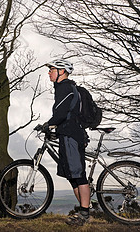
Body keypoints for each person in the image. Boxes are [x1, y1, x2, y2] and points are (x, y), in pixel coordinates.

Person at [40, 59, 91, 226]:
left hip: (71, 135)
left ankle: (84, 214)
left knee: (78, 174)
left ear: (62, 71)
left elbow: (61, 113)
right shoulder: (64, 88)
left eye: (52, 70)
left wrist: (49, 124)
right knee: (72, 176)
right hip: (67, 133)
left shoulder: (65, 87)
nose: (49, 73)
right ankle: (83, 211)